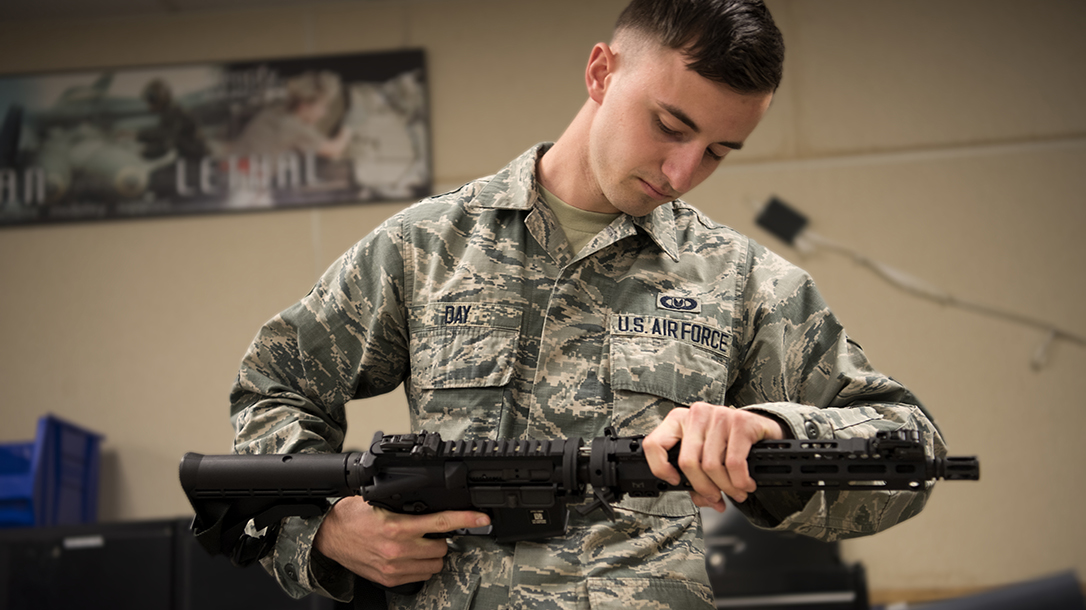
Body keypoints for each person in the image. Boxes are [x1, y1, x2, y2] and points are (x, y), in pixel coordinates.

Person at [229, 1, 947, 608]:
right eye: (669, 125)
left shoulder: (742, 281)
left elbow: (910, 449)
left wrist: (772, 430)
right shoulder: (428, 247)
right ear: (602, 72)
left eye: (719, 151)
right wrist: (322, 532)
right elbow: (275, 385)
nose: (682, 172)